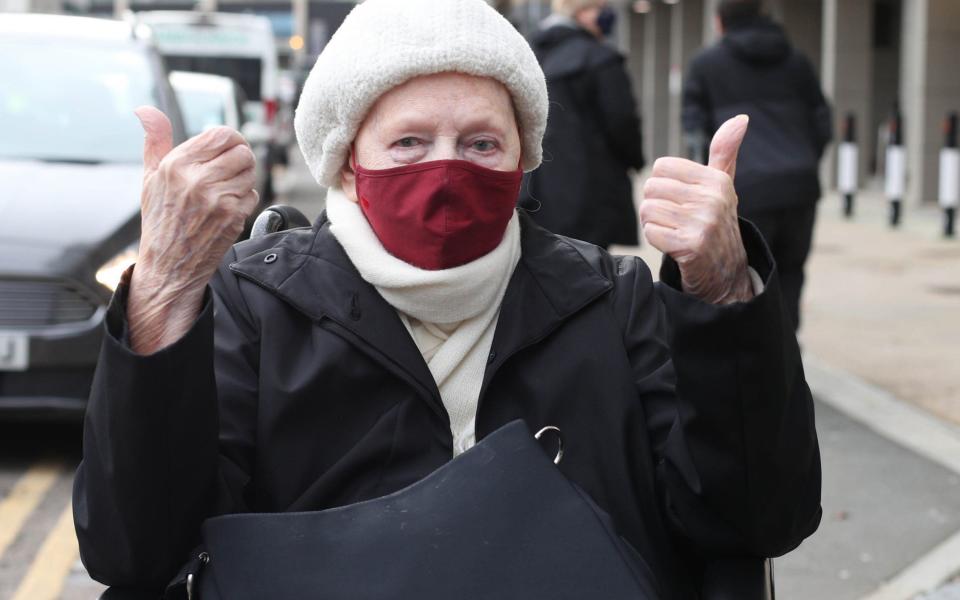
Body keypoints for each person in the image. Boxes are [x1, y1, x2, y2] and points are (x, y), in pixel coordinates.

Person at [73, 0, 820, 598]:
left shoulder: (612, 302)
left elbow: (760, 517)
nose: (447, 170)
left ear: (524, 156)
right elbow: (135, 552)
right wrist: (166, 289)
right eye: (408, 143)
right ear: (345, 162)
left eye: (481, 144)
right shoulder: (256, 305)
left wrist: (723, 290)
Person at [682, 0, 832, 331]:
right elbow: (823, 122)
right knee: (791, 270)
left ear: (720, 22)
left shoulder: (706, 65)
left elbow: (694, 132)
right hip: (799, 185)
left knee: (746, 275)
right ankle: (787, 350)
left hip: (745, 188)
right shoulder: (797, 62)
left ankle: (756, 357)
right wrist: (804, 159)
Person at [521, 0, 644, 249]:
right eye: (601, 7)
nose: (606, 14)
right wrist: (636, 159)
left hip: (538, 188)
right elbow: (622, 121)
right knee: (590, 267)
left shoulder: (531, 56)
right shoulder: (600, 58)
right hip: (593, 189)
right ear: (583, 13)